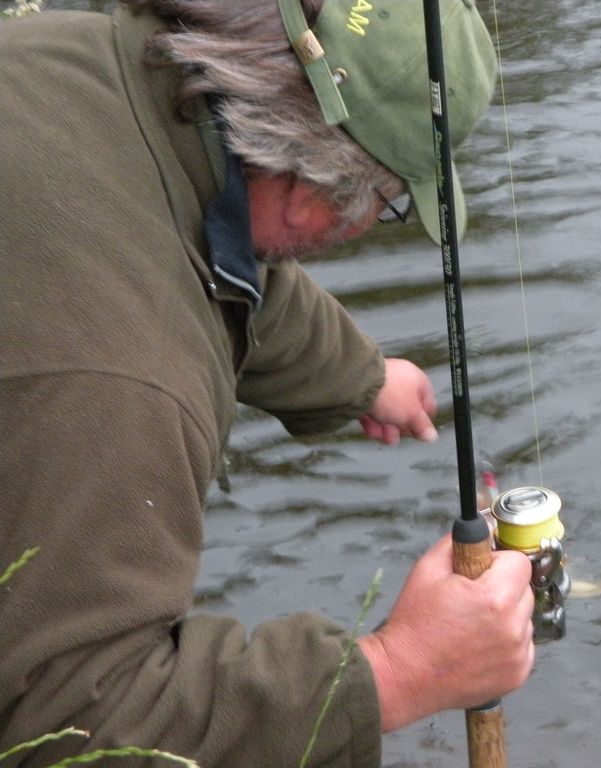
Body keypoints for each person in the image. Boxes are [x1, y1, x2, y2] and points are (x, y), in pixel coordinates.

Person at [0, 0, 535, 765]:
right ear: (308, 191)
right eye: (384, 203)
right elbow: (72, 718)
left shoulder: (93, 66)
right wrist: (399, 672)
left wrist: (360, 376)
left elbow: (212, 239)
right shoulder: (127, 377)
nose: (367, 221)